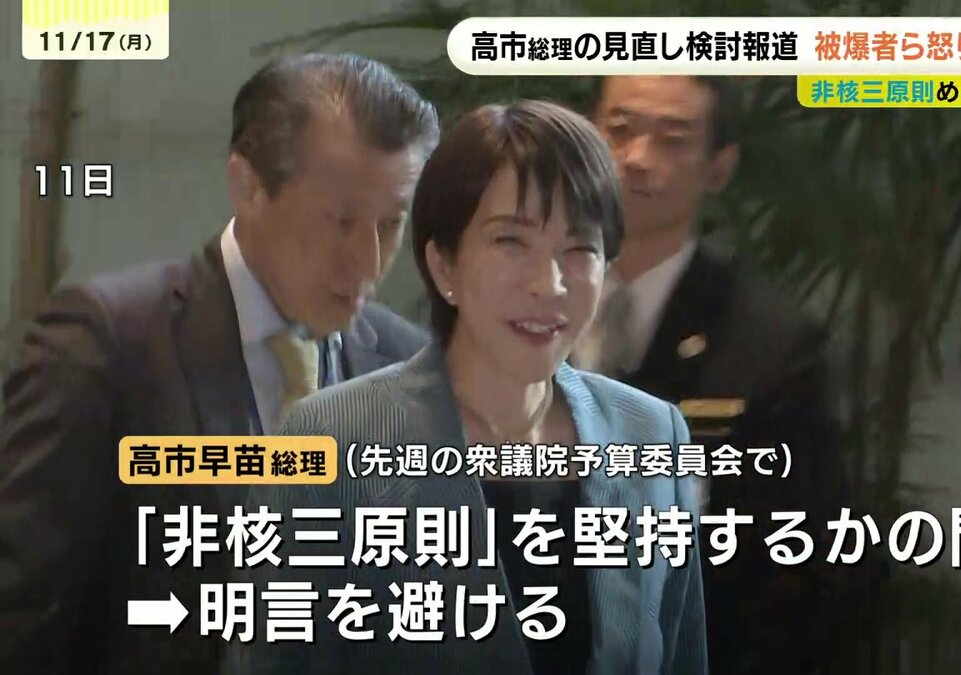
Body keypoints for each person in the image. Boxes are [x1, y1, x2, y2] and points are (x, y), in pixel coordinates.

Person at [226, 99, 707, 675]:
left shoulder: (652, 435)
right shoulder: (330, 439)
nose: (550, 284)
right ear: (444, 265)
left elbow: (683, 656)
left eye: (580, 248)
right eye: (511, 242)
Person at [0, 53, 438, 674]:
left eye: (390, 225)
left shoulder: (407, 363)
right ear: (248, 187)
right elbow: (24, 617)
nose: (369, 262)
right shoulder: (106, 344)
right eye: (341, 221)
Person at [581, 75, 845, 674]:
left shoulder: (769, 346)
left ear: (719, 167)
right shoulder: (516, 309)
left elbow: (801, 569)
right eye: (618, 131)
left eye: (672, 140)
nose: (637, 158)